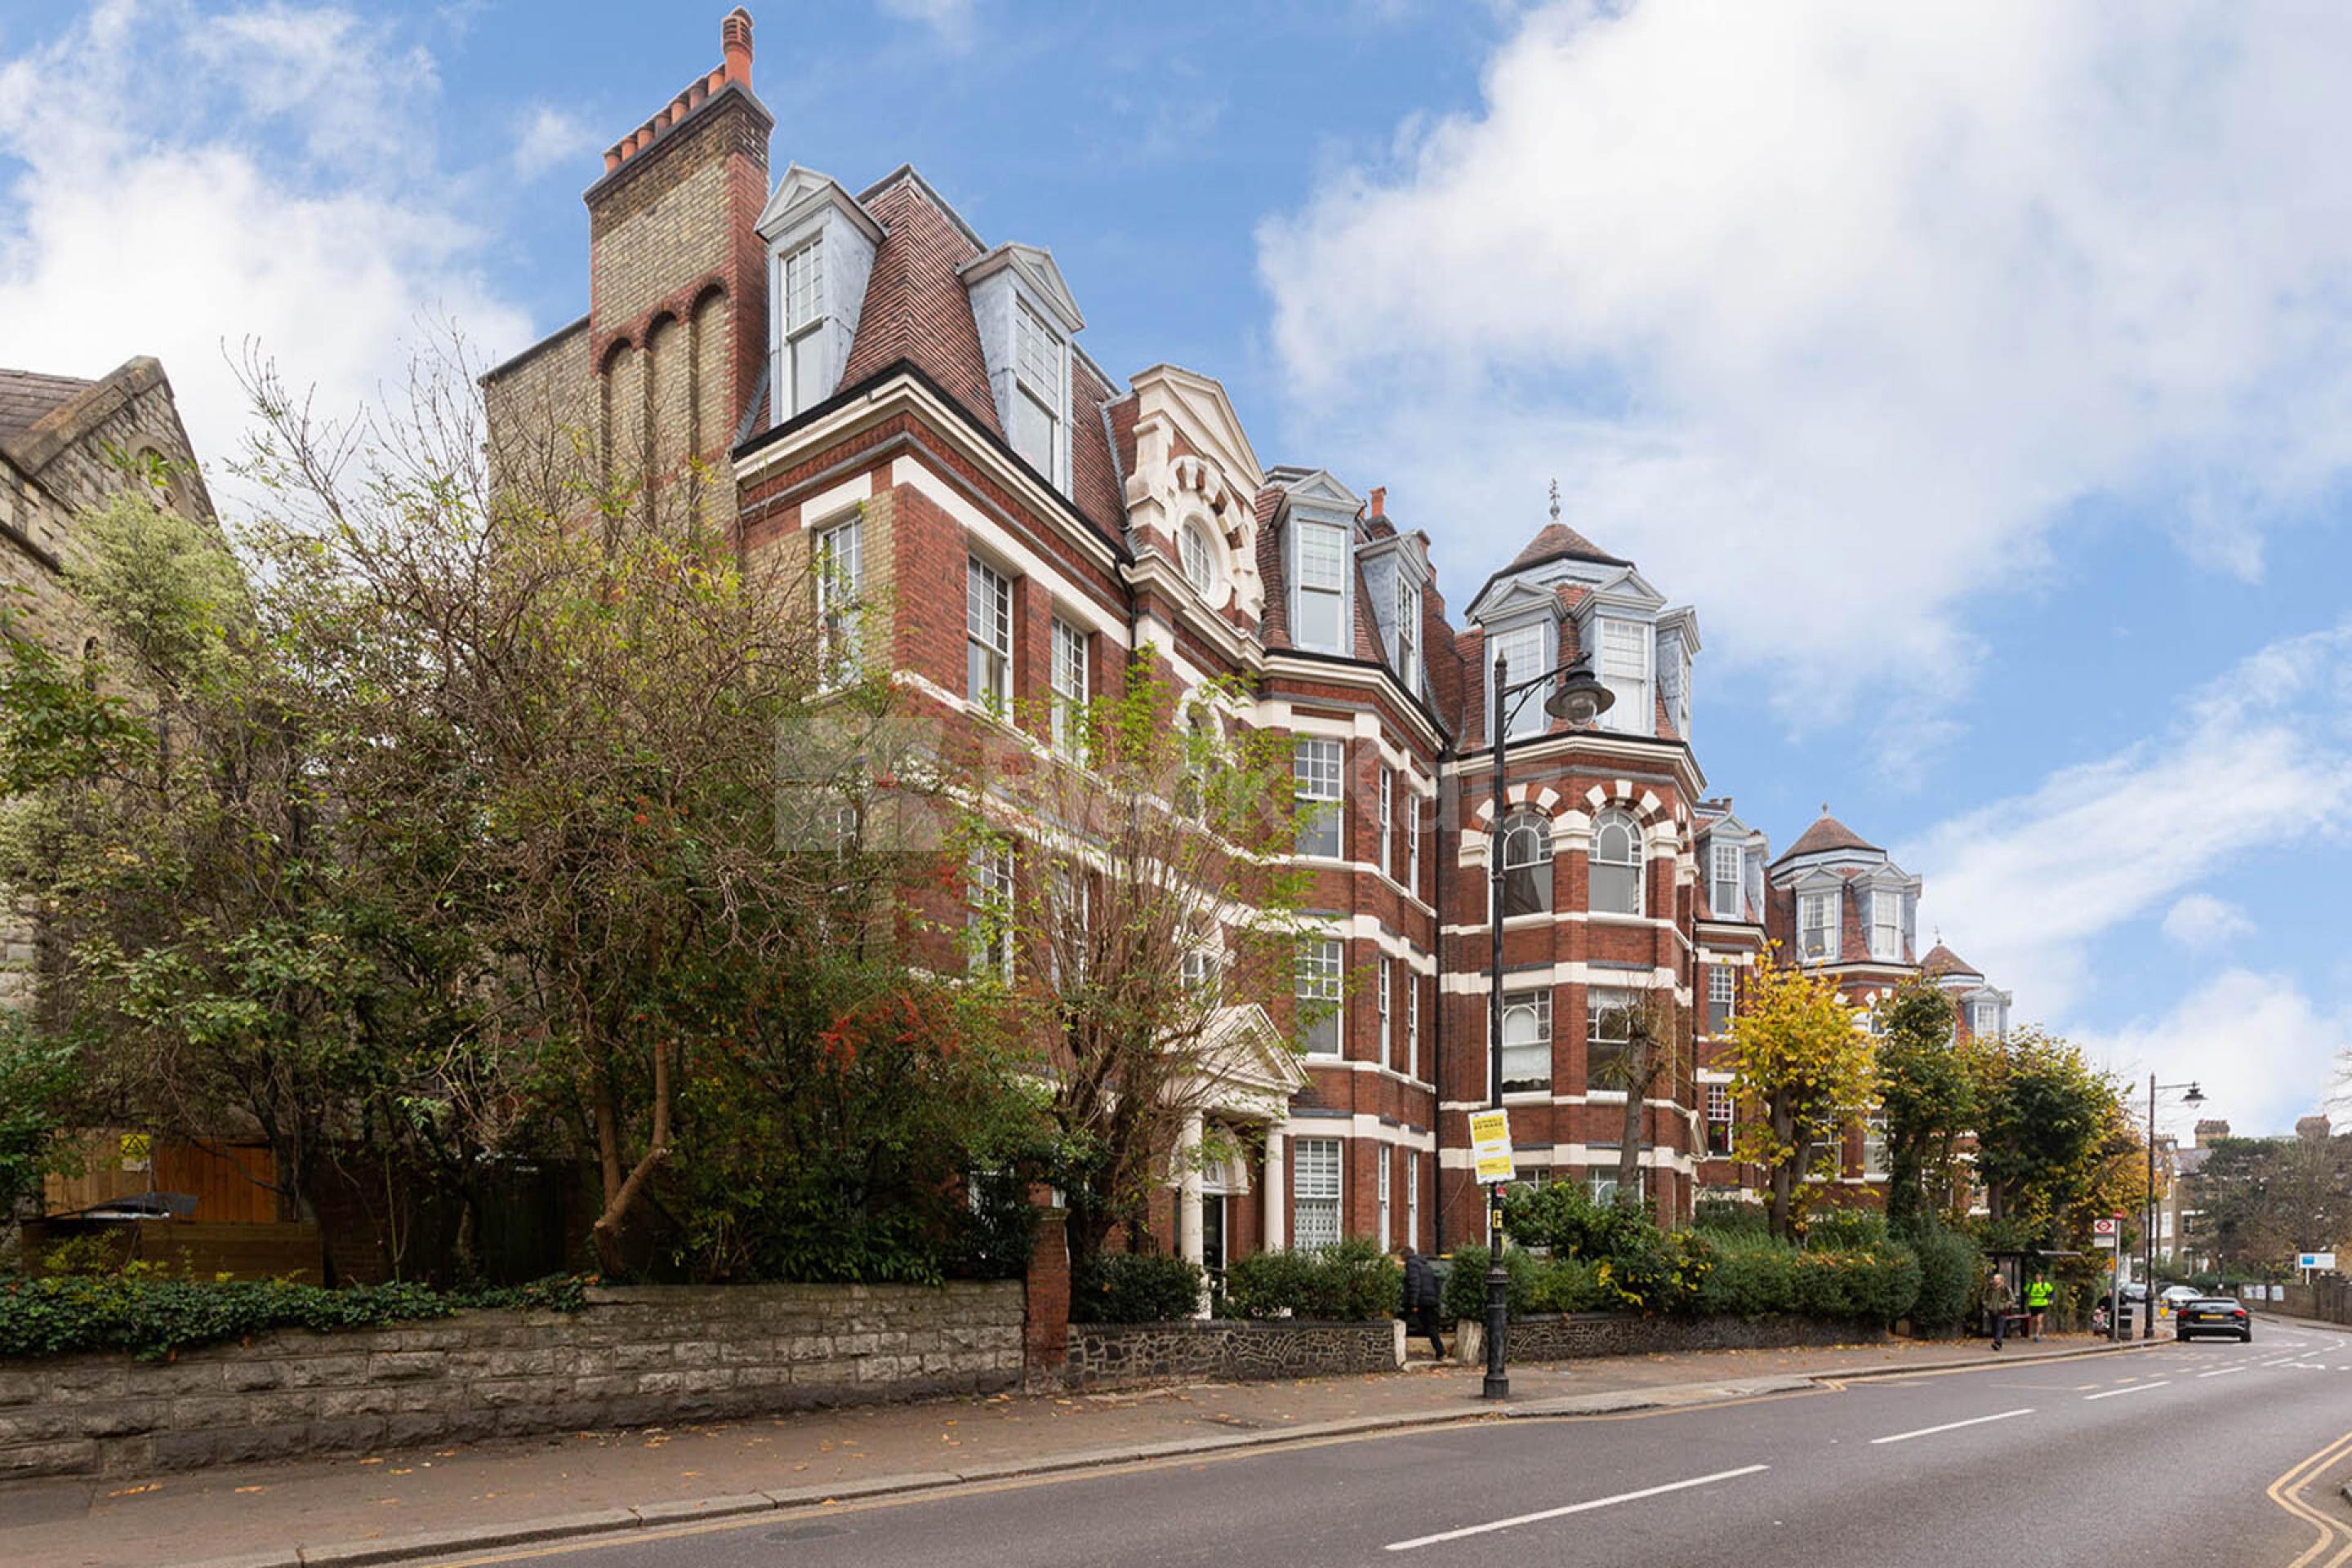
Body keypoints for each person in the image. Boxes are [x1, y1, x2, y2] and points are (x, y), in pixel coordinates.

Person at [1398, 1245, 1445, 1361]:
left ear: (1404, 1256)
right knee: (1431, 1327)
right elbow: (1436, 1283)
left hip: (1421, 1300)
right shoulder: (1425, 1264)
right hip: (1431, 1299)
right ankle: (1440, 1351)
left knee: (1404, 1324)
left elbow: (1414, 1284)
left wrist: (1414, 1304)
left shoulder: (1412, 1265)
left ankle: (1400, 1353)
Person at [1984, 1265, 2016, 1351]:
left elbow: (2012, 1299)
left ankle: (1997, 1342)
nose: (1995, 1280)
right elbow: (1984, 1298)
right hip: (1992, 1311)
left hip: (2002, 1311)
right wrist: (1987, 1305)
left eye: (1997, 1279)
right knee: (1994, 1328)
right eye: (1994, 1279)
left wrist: (2006, 1305)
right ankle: (1998, 1343)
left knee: (2000, 1327)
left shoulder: (2006, 1289)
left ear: (2001, 1280)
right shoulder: (1990, 1289)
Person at [2025, 1275, 2055, 1341]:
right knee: (2034, 1320)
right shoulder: (2031, 1285)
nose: (2037, 1279)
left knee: (2039, 1319)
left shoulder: (2045, 1285)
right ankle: (2040, 1329)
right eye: (2036, 1277)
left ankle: (2037, 1335)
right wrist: (2028, 1298)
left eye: (2039, 1277)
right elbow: (2025, 1292)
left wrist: (2051, 1300)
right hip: (2033, 1304)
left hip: (2043, 1304)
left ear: (2041, 1278)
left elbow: (2052, 1292)